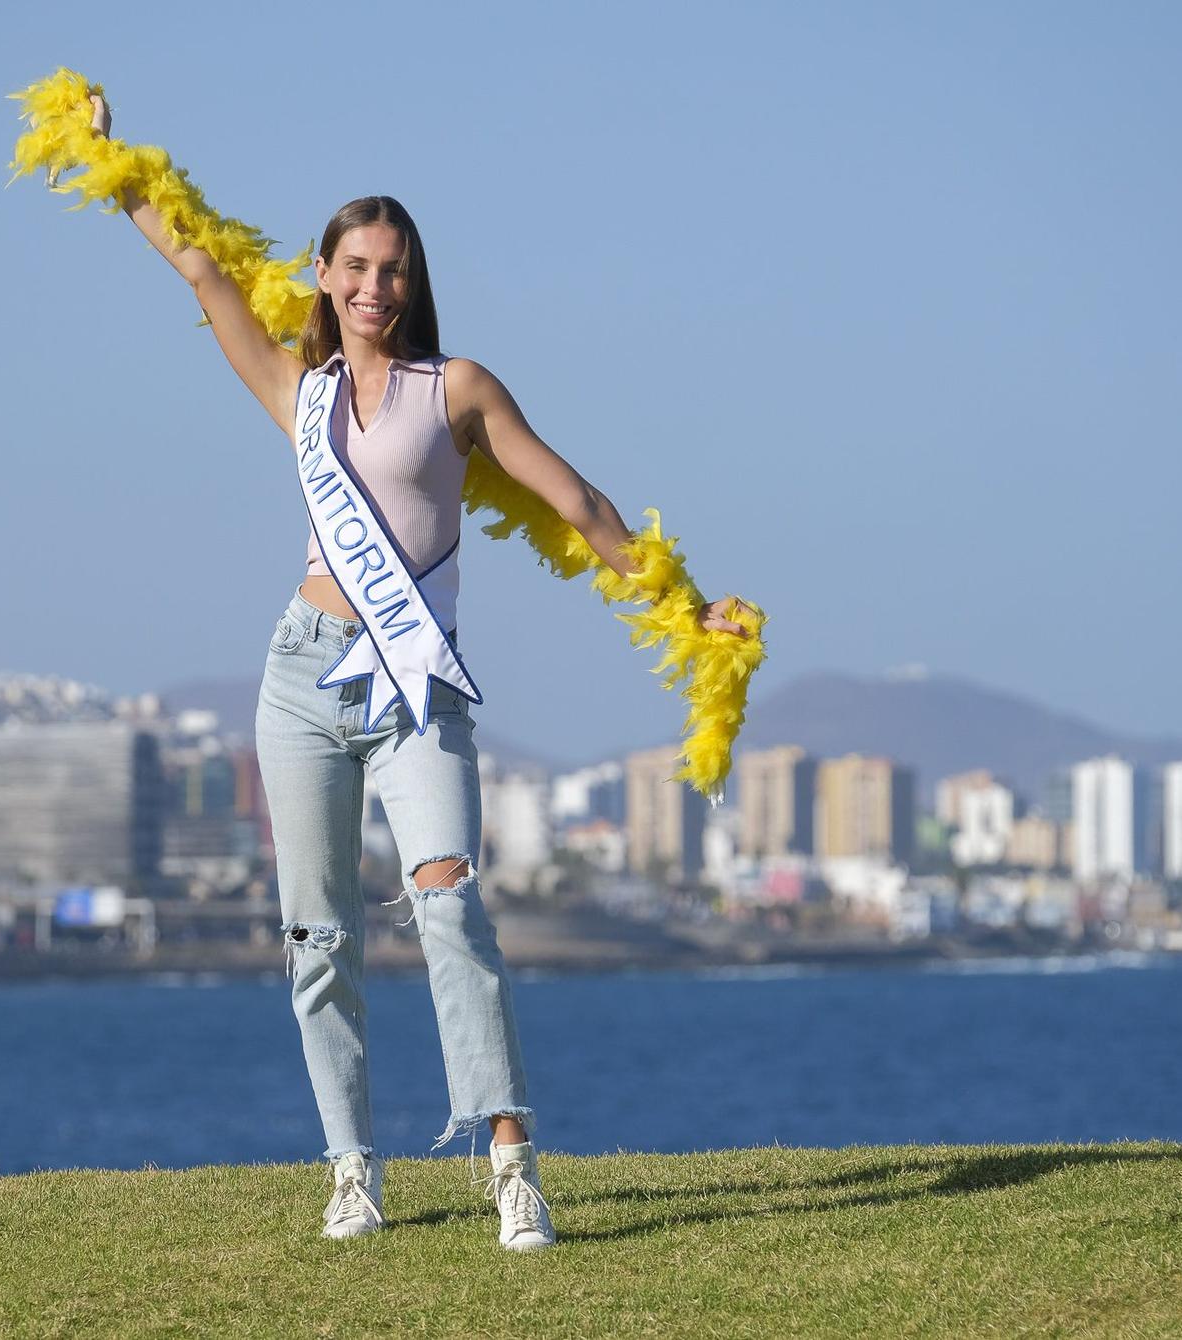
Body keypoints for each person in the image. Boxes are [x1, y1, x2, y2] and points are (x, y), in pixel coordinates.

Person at [88, 95, 750, 1250]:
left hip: (414, 692)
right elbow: (199, 271)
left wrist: (686, 607)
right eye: (354, 265)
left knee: (449, 907)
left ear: (412, 281)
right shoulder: (295, 393)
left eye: (392, 268)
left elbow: (578, 504)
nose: (373, 287)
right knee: (318, 936)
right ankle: (352, 1166)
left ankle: (511, 1162)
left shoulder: (457, 389)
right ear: (323, 275)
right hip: (298, 678)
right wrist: (101, 154)